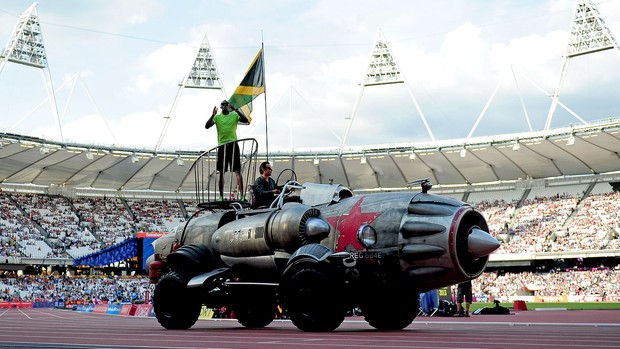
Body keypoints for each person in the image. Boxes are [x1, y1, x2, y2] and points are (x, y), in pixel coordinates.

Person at [205, 100, 249, 201]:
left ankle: (242, 195)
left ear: (228, 106)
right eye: (223, 105)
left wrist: (236, 110)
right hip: (222, 146)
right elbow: (207, 126)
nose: (225, 106)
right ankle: (220, 196)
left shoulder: (234, 115)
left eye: (226, 104)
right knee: (221, 172)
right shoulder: (217, 117)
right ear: (221, 107)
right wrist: (212, 115)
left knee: (237, 170)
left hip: (233, 145)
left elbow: (245, 120)